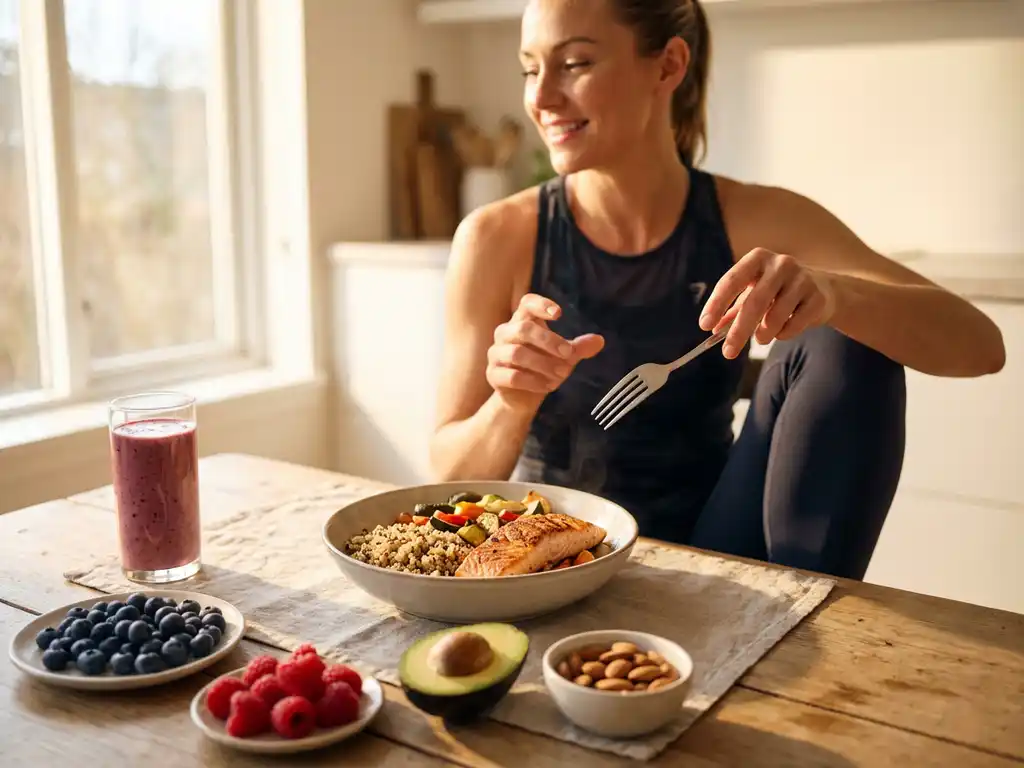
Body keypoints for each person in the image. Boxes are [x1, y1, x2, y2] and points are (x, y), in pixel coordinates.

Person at [429, 0, 1006, 580]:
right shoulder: (496, 237)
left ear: (667, 66)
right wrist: (511, 403)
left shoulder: (756, 218)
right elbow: (447, 481)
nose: (542, 98)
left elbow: (983, 346)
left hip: (719, 550)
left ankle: (805, 618)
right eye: (531, 69)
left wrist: (837, 296)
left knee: (848, 335)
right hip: (556, 558)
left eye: (574, 63)